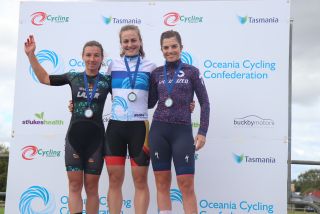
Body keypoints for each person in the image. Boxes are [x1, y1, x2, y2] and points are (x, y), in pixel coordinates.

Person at [24, 35, 111, 214]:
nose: (92, 59)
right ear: (82, 56)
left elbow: (130, 95)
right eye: (88, 55)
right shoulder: (73, 77)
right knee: (74, 185)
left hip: (97, 140)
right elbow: (45, 78)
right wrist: (31, 55)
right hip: (74, 139)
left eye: (96, 55)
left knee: (92, 188)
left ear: (102, 58)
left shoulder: (107, 81)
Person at [148, 30, 210, 214]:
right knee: (162, 182)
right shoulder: (156, 73)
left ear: (181, 47)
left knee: (186, 184)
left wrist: (203, 131)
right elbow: (150, 102)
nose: (170, 50)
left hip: (182, 132)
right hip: (159, 131)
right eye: (166, 47)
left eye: (174, 46)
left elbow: (205, 102)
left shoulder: (192, 72)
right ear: (161, 50)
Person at [104, 25, 156, 214]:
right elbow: (101, 92)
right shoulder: (112, 65)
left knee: (140, 181)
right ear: (121, 43)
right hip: (115, 127)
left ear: (140, 41)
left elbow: (161, 94)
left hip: (139, 127)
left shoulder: (151, 67)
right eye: (126, 41)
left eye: (133, 40)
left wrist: (186, 104)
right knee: (115, 180)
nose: (130, 44)